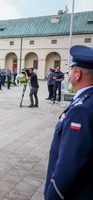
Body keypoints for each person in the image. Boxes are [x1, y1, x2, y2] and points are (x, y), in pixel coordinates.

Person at [44, 45, 93, 199]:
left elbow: (68, 165)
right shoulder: (87, 100)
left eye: (72, 69)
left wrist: (52, 195)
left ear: (77, 74)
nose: (70, 73)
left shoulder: (81, 110)